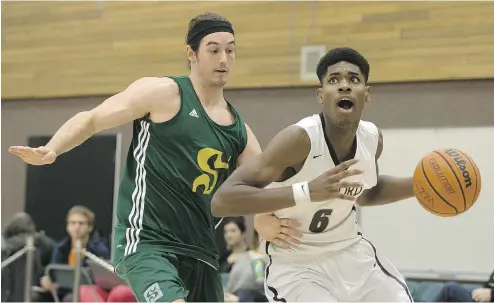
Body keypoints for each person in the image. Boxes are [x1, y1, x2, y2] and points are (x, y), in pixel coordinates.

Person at [8, 12, 299, 302]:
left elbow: (261, 188)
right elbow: (93, 119)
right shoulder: (164, 94)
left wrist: (266, 219)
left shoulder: (240, 132)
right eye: (213, 49)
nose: (223, 59)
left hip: (201, 252)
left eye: (230, 50)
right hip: (148, 241)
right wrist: (53, 148)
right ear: (191, 53)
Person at [212, 47, 416, 302]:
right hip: (297, 266)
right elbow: (222, 200)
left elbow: (366, 192)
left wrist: (419, 185)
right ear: (321, 95)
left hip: (352, 254)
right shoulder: (299, 139)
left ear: (367, 94)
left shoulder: (372, 139)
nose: (344, 86)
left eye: (354, 79)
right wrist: (307, 191)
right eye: (334, 80)